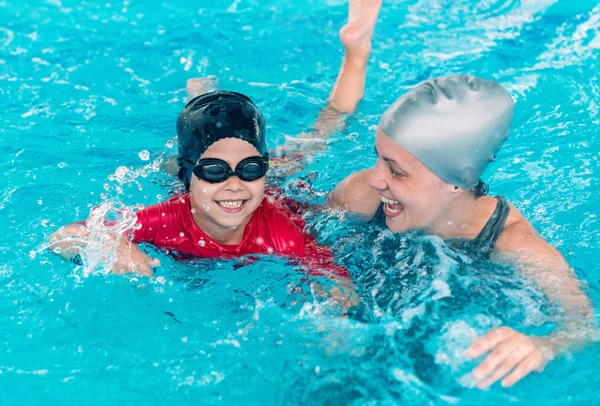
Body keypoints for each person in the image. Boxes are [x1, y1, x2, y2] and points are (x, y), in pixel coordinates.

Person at [315, 0, 596, 389]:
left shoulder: (513, 244)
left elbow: (584, 326)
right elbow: (302, 236)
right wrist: (327, 280)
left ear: (455, 182)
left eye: (396, 170)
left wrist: (543, 345)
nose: (376, 179)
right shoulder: (362, 194)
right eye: (378, 159)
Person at [49, 91, 351, 290]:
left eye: (251, 169)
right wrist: (114, 247)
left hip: (275, 188)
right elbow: (63, 237)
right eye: (214, 172)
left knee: (317, 140)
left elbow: (337, 280)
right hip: (185, 181)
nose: (234, 184)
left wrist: (334, 312)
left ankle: (355, 53)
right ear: (190, 175)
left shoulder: (280, 229)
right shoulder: (167, 220)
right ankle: (201, 94)